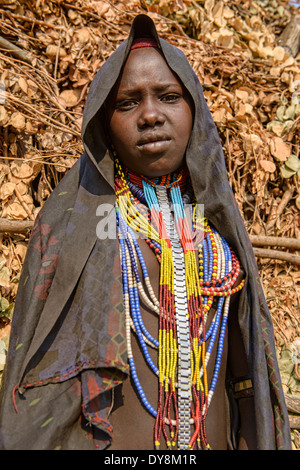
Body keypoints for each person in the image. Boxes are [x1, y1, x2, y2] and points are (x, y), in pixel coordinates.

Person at [0, 14, 291, 450]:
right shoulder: (71, 223)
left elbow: (246, 377)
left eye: (168, 96)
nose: (151, 115)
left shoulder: (217, 223)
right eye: (127, 103)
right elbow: (39, 378)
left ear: (194, 110)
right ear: (103, 124)